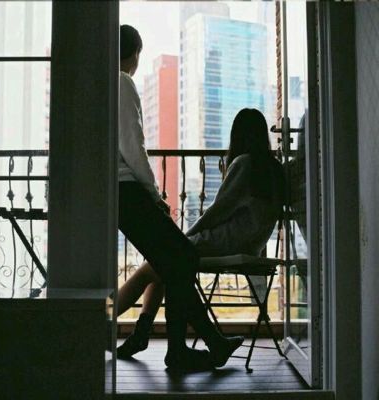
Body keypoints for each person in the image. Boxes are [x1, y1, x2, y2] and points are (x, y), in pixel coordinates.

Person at [115, 24, 244, 371]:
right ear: (135, 54)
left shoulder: (102, 86)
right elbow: (133, 146)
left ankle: (186, 347)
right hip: (127, 190)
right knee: (182, 257)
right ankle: (186, 349)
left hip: (117, 193)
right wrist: (153, 193)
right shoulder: (122, 82)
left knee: (174, 261)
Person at [116, 107, 285, 360]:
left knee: (158, 262)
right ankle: (142, 334)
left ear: (237, 135)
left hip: (227, 241)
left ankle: (104, 323)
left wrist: (184, 237)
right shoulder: (274, 168)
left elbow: (218, 211)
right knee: (163, 261)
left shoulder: (244, 164)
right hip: (250, 244)